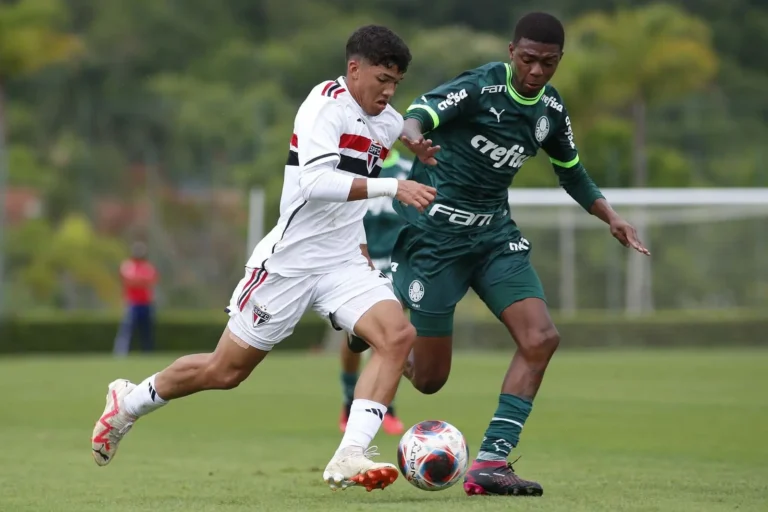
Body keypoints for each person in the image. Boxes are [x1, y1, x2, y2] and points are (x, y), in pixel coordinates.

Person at [90, 25, 438, 493]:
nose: (389, 91)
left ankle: (349, 455)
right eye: (382, 79)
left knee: (397, 335)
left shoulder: (383, 116)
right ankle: (128, 403)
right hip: (289, 264)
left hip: (343, 264)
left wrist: (414, 137)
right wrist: (392, 184)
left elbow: (403, 124)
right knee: (225, 371)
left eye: (396, 82)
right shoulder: (324, 106)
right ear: (354, 69)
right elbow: (315, 184)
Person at [392, 12, 650, 496]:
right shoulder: (480, 88)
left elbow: (570, 171)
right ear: (512, 52)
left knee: (542, 337)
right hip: (437, 241)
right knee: (428, 381)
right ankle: (384, 330)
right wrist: (411, 133)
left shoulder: (550, 109)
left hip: (494, 238)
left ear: (559, 61)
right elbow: (421, 111)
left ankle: (490, 463)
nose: (536, 71)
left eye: (547, 63)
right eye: (528, 60)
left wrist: (610, 215)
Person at [338, 149, 410, 436]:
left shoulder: (407, 169)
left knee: (391, 336)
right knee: (355, 336)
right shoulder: (352, 169)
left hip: (395, 265)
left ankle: (385, 405)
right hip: (356, 262)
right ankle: (348, 398)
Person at [113, 242, 158, 356]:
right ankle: (121, 352)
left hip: (146, 303)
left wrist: (139, 281)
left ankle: (148, 352)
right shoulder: (128, 265)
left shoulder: (148, 266)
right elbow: (130, 281)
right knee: (127, 330)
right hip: (133, 303)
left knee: (147, 332)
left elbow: (151, 280)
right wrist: (141, 281)